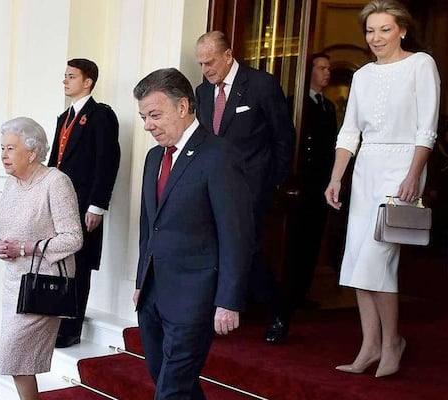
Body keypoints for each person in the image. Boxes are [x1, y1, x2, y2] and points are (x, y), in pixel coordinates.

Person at [324, 0, 440, 378]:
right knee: (358, 260)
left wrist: (413, 175)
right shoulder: (362, 76)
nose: (376, 37)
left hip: (402, 167)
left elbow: (427, 129)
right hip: (366, 170)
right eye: (370, 30)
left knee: (377, 259)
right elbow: (349, 132)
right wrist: (337, 176)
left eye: (385, 29)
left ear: (402, 30)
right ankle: (370, 344)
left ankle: (392, 343)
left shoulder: (421, 64)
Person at [132, 68, 254, 399]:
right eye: (144, 117)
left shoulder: (219, 155)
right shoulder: (154, 157)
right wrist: (142, 281)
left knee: (171, 390)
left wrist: (229, 300)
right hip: (154, 295)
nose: (148, 126)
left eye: (155, 115)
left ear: (183, 106)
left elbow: (236, 234)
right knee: (169, 382)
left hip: (195, 298)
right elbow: (149, 225)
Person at [194, 30, 296, 344]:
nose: (206, 69)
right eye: (201, 64)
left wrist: (274, 182)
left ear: (228, 55)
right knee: (213, 249)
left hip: (251, 189)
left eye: (210, 62)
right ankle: (218, 314)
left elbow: (283, 137)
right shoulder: (201, 91)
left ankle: (278, 309)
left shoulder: (261, 85)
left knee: (246, 252)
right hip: (212, 188)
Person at [0, 117, 83, 399]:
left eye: (10, 148)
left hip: (43, 285)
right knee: (18, 362)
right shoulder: (12, 185)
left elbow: (73, 238)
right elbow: (8, 228)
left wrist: (25, 247)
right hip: (13, 283)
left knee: (15, 357)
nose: (4, 155)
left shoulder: (55, 182)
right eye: (3, 148)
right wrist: (1, 245)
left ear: (31, 153)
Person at [48, 58, 121, 348]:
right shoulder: (64, 117)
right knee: (60, 264)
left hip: (84, 204)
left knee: (79, 265)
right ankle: (57, 322)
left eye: (71, 76)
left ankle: (71, 329)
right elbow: (55, 162)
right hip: (60, 203)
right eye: (64, 76)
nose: (65, 81)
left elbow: (107, 162)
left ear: (87, 81)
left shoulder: (100, 115)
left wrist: (97, 206)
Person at [285, 53, 338, 312]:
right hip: (300, 182)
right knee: (294, 242)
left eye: (328, 68)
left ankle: (302, 293)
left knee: (312, 241)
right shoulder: (296, 103)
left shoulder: (328, 106)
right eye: (321, 68)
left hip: (320, 184)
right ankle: (289, 294)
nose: (326, 73)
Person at [425, 121, 448, 246]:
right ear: (447, 133)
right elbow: (431, 170)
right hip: (435, 191)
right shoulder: (435, 149)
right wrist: (431, 188)